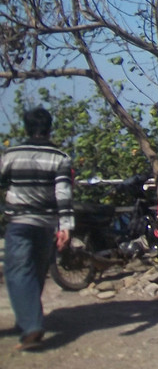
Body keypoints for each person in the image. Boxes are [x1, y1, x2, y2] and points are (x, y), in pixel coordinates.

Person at [0, 106, 74, 352]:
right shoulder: (60, 157)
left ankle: (31, 324)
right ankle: (30, 319)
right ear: (49, 127)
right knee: (36, 271)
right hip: (46, 224)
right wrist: (66, 227)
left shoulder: (10, 155)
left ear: (26, 127)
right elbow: (63, 194)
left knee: (19, 271)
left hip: (19, 222)